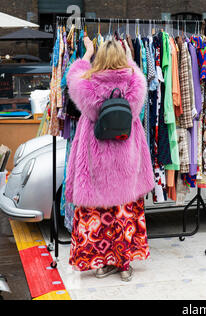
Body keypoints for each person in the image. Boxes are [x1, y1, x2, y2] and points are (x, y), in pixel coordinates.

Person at [65, 37, 154, 281]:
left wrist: (87, 53)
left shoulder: (87, 85)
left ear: (100, 59)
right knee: (123, 212)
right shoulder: (135, 83)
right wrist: (129, 57)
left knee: (97, 213)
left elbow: (72, 76)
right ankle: (124, 265)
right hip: (126, 156)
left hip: (95, 158)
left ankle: (101, 263)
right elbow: (136, 72)